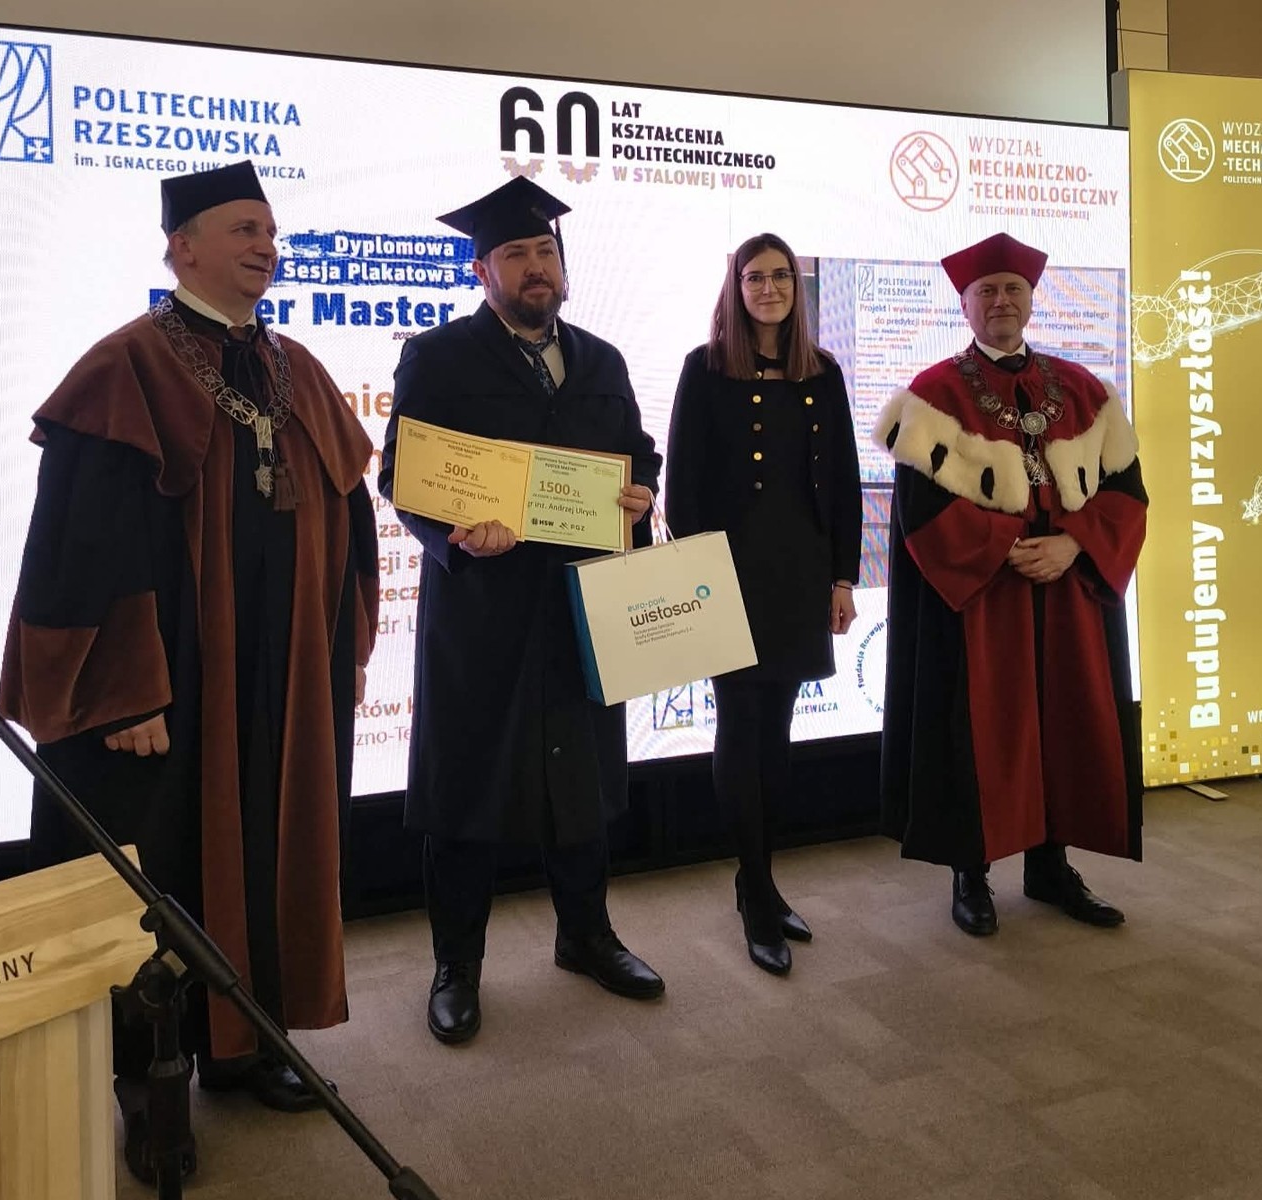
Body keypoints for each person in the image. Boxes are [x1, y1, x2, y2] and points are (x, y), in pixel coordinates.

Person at [0, 161, 379, 1183]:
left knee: (262, 853)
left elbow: (348, 516)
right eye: (243, 228)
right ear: (183, 248)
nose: (265, 245)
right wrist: (124, 689)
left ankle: (245, 1046)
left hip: (274, 681)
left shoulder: (295, 368)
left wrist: (340, 646)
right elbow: (81, 542)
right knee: (155, 875)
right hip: (165, 694)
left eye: (271, 230)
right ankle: (144, 1081)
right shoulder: (124, 366)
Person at [378, 175, 666, 1046]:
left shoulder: (602, 359)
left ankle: (585, 936)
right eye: (515, 254)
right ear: (482, 270)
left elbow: (635, 455)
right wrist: (455, 534)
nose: (536, 266)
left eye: (546, 251)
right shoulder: (438, 357)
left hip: (579, 603)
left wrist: (640, 495)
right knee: (465, 789)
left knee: (580, 780)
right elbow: (401, 475)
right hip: (484, 610)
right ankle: (456, 966)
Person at [874, 232, 1146, 937]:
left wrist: (1074, 544)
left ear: (1030, 299)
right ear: (964, 304)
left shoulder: (1084, 392)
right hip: (980, 603)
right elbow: (921, 513)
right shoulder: (933, 397)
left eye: (1012, 290)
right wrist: (1007, 549)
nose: (1001, 301)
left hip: (1067, 595)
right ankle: (971, 873)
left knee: (1062, 727)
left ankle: (1050, 868)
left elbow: (1126, 495)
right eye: (986, 291)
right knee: (983, 733)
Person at [665, 233, 861, 975]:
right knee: (739, 728)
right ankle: (754, 892)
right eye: (755, 277)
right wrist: (699, 578)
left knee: (776, 734)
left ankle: (763, 883)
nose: (769, 288)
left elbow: (842, 482)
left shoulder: (822, 372)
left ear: (796, 289)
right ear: (736, 287)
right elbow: (682, 484)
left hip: (800, 576)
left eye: (781, 276)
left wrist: (841, 579)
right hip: (728, 576)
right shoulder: (705, 367)